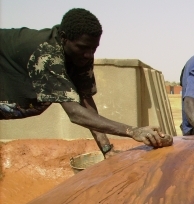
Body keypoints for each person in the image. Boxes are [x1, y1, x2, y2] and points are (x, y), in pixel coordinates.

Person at [0, 8, 172, 158]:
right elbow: (75, 113)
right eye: (83, 48)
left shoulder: (81, 55)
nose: (89, 55)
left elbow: (86, 102)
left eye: (93, 48)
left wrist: (107, 149)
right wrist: (133, 131)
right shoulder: (46, 54)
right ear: (64, 38)